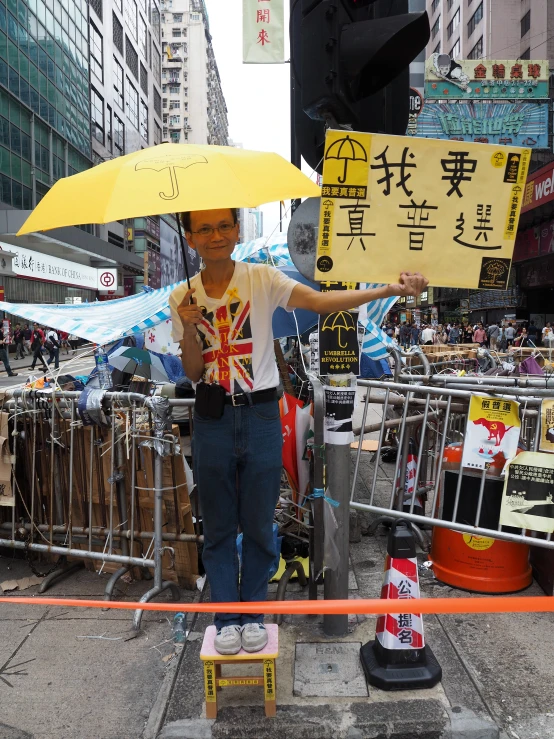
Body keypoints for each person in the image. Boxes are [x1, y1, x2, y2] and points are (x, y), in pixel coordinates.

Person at [169, 207, 428, 656]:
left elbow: (319, 302)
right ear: (190, 238)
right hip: (212, 420)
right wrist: (191, 327)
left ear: (236, 230)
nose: (216, 236)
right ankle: (225, 618)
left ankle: (253, 614)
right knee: (217, 526)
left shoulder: (261, 279)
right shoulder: (181, 297)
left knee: (258, 522)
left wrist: (388, 289)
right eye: (204, 229)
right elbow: (193, 371)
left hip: (263, 416)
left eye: (224, 226)